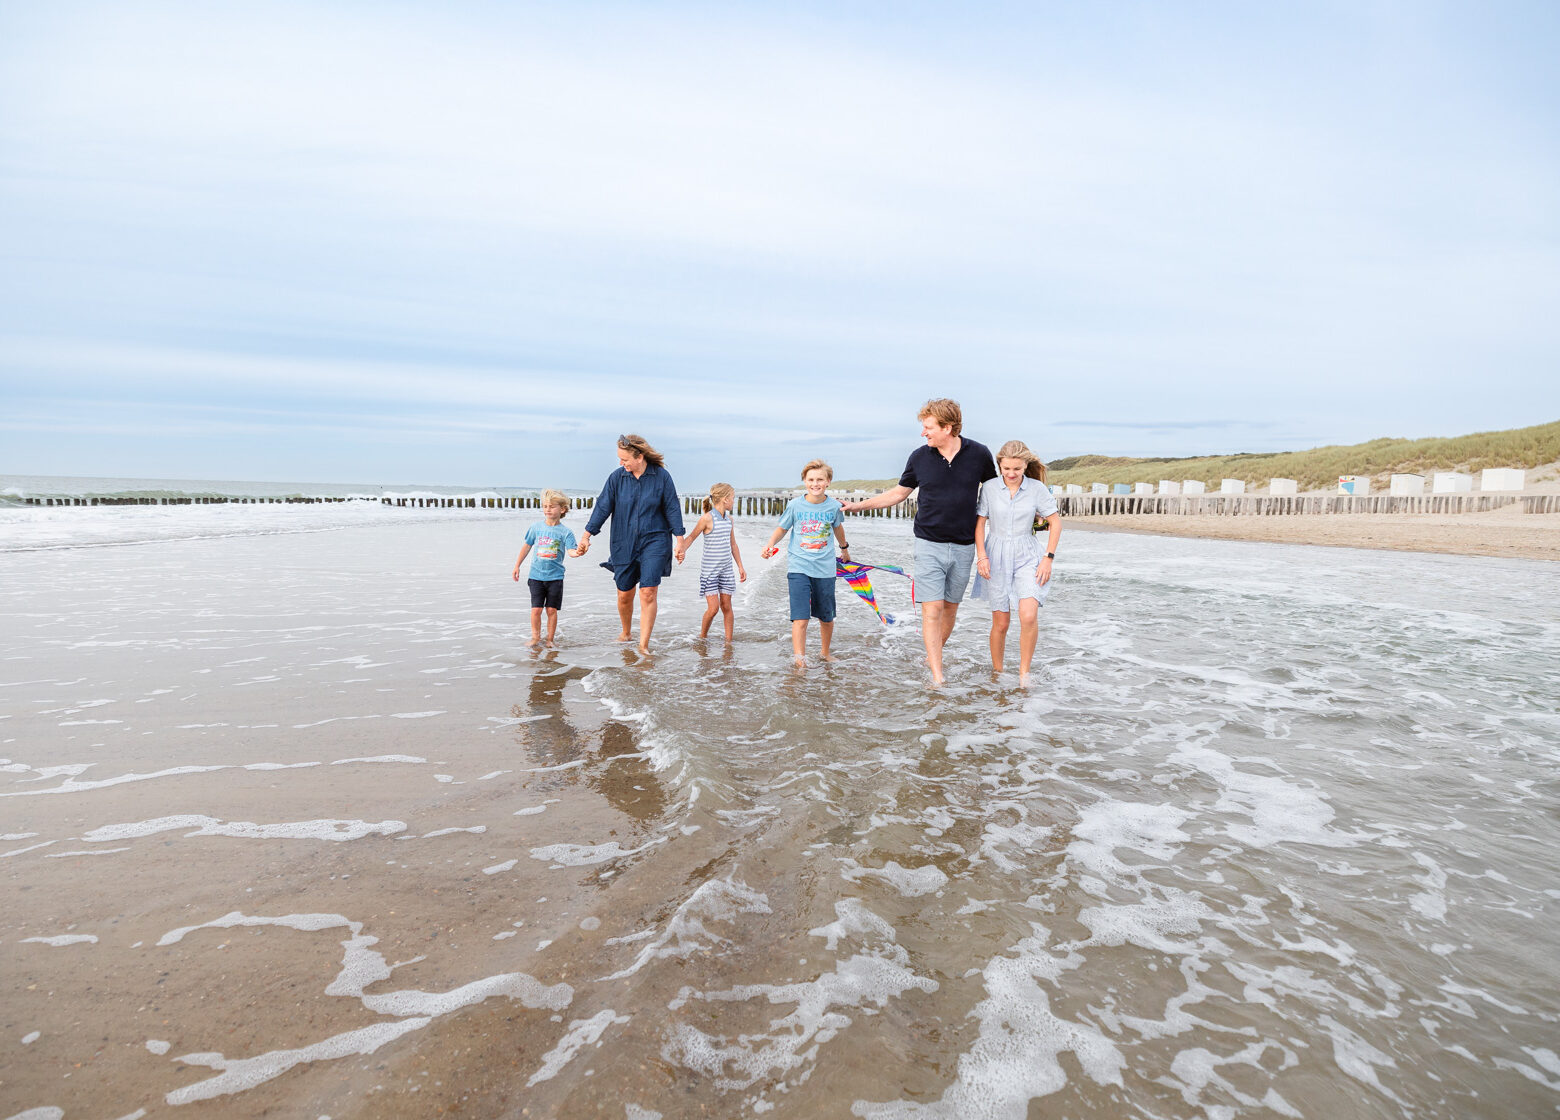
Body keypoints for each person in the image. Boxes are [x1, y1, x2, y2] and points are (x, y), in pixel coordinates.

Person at [839, 399, 995, 685]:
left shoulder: (979, 454)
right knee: (931, 608)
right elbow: (898, 494)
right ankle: (938, 674)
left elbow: (995, 494)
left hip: (964, 546)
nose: (924, 433)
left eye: (928, 427)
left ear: (947, 428)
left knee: (950, 608)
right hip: (928, 543)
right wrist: (856, 506)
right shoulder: (919, 457)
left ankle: (933, 656)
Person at [575, 434, 686, 654]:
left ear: (639, 457)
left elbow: (672, 508)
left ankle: (643, 645)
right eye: (620, 459)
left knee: (648, 592)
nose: (621, 463)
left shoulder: (661, 477)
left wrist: (680, 540)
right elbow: (602, 507)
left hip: (655, 540)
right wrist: (587, 535)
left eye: (624, 459)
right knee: (625, 594)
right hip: (623, 541)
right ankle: (626, 632)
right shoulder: (617, 478)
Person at [973, 441, 1062, 686]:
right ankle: (998, 673)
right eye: (1006, 469)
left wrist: (1048, 558)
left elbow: (1055, 523)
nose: (1011, 474)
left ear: (1026, 466)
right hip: (995, 554)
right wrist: (981, 556)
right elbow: (980, 523)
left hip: (1029, 555)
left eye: (1017, 469)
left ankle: (1024, 674)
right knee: (1001, 623)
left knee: (1028, 615)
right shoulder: (989, 488)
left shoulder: (1036, 489)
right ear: (999, 465)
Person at [761, 460, 851, 667]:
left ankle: (825, 653)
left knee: (826, 617)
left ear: (828, 481)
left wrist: (844, 549)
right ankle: (799, 659)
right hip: (798, 567)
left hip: (825, 569)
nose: (815, 483)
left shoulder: (834, 506)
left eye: (820, 479)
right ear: (804, 481)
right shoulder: (795, 505)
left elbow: (838, 529)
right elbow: (782, 529)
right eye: (811, 479)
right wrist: (769, 545)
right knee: (800, 618)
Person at [675, 482, 747, 643]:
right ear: (725, 499)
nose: (734, 502)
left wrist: (740, 566)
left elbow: (733, 544)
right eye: (733, 498)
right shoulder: (707, 518)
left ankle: (728, 643)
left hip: (726, 570)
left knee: (727, 607)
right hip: (710, 571)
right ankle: (702, 637)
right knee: (713, 609)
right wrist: (681, 549)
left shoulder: (729, 520)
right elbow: (692, 537)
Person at [510, 489, 578, 648]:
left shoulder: (566, 532)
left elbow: (571, 551)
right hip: (536, 576)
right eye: (545, 506)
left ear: (562, 510)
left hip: (555, 577)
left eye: (552, 506)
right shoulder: (536, 528)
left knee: (551, 610)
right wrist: (517, 565)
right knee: (536, 610)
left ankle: (550, 640)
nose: (547, 509)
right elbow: (526, 546)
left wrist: (578, 552)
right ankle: (535, 637)